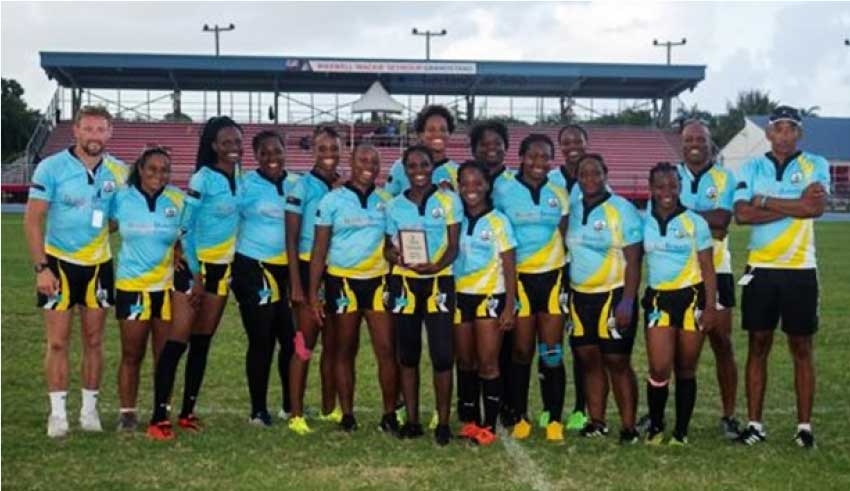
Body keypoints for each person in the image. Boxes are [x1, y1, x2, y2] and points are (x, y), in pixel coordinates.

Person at [24, 105, 127, 438]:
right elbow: (33, 219)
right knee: (57, 342)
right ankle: (57, 414)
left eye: (101, 130)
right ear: (76, 131)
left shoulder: (119, 172)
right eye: (89, 129)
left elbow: (117, 218)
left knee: (94, 341)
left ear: (110, 133)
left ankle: (89, 410)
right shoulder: (51, 167)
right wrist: (41, 268)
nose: (95, 136)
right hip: (58, 264)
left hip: (98, 266)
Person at [732, 106, 829, 449]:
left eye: (791, 129)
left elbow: (814, 209)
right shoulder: (752, 166)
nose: (784, 135)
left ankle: (804, 427)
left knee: (801, 346)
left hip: (800, 269)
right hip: (760, 269)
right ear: (769, 134)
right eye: (778, 129)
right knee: (758, 344)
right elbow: (742, 214)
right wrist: (793, 203)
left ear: (798, 134)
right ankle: (755, 424)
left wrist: (765, 200)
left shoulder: (815, 164)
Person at [147, 116, 243, 439]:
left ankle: (187, 412)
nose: (234, 148)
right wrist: (197, 274)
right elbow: (185, 229)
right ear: (214, 145)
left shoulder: (239, 174)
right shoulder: (203, 178)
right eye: (226, 142)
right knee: (178, 342)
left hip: (222, 269)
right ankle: (158, 416)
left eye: (237, 142)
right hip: (194, 269)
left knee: (202, 343)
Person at [308, 143, 399, 434]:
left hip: (377, 282)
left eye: (374, 160)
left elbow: (391, 245)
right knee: (345, 350)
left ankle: (389, 414)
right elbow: (319, 250)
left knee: (386, 350)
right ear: (351, 161)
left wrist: (397, 257)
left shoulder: (387, 201)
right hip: (342, 282)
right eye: (363, 159)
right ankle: (347, 414)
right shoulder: (332, 200)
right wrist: (313, 294)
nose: (368, 165)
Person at [493, 133, 570, 442]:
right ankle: (521, 415)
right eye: (534, 156)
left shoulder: (559, 192)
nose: (539, 163)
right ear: (522, 158)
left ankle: (553, 418)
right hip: (520, 279)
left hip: (552, 277)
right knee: (522, 350)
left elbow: (562, 233)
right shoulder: (504, 191)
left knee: (551, 351)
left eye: (545, 157)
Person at [384, 144, 462, 445]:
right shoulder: (394, 206)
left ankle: (442, 422)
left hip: (439, 281)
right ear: (405, 170)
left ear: (433, 167)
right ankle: (413, 420)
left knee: (442, 355)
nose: (419, 171)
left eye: (424, 165)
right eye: (413, 166)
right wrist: (397, 257)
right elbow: (386, 248)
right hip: (404, 283)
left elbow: (453, 246)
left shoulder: (449, 199)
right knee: (408, 354)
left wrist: (436, 266)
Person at [566, 154, 642, 444]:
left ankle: (628, 426)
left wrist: (627, 301)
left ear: (605, 174)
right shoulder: (572, 208)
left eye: (595, 172)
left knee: (617, 360)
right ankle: (597, 420)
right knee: (588, 359)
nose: (589, 178)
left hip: (613, 294)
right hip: (579, 295)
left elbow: (634, 260)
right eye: (583, 173)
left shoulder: (622, 209)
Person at [642, 162, 718, 446]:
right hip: (659, 299)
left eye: (673, 185)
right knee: (659, 367)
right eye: (660, 186)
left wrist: (710, 306)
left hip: (692, 298)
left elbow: (708, 267)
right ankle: (656, 426)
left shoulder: (695, 222)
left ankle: (681, 432)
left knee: (686, 366)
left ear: (680, 187)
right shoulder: (643, 221)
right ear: (651, 188)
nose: (667, 192)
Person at [110, 147, 183, 432]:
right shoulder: (122, 198)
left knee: (163, 355)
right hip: (132, 286)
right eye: (152, 169)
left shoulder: (177, 199)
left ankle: (161, 410)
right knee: (132, 353)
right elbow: (104, 228)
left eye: (164, 169)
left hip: (165, 289)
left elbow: (185, 235)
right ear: (140, 169)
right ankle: (127, 413)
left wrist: (179, 252)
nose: (158, 175)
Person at [677, 120, 741, 438]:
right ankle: (669, 412)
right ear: (681, 142)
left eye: (700, 138)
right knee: (678, 350)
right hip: (676, 274)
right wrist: (704, 218)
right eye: (689, 138)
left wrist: (680, 215)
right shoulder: (670, 175)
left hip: (719, 270)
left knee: (722, 343)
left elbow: (722, 222)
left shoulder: (724, 177)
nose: (694, 144)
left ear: (709, 142)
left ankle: (729, 416)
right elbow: (709, 220)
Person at [231, 130, 299, 426]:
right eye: (264, 152)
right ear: (256, 156)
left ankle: (289, 403)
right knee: (261, 340)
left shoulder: (298, 183)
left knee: (290, 339)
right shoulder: (245, 185)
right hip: (254, 267)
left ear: (285, 151)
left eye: (277, 150)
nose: (272, 157)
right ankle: (258, 409)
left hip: (290, 271)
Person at [453, 160, 518, 446]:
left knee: (488, 363)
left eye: (477, 182)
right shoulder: (455, 218)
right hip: (458, 296)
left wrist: (509, 305)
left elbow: (509, 264)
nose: (471, 189)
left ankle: (489, 424)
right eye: (464, 183)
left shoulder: (498, 221)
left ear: (487, 185)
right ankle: (469, 418)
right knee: (465, 361)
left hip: (490, 296)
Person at [285, 125, 343, 434]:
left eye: (334, 149)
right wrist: (297, 284)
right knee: (305, 343)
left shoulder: (343, 187)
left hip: (336, 270)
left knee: (333, 344)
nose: (329, 155)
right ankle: (296, 413)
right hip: (308, 269)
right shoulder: (301, 187)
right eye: (323, 149)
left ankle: (329, 408)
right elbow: (291, 239)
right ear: (313, 150)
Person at [547, 124, 591, 431]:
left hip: (584, 272)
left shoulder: (595, 177)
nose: (572, 145)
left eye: (577, 140)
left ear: (587, 143)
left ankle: (580, 408)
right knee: (549, 341)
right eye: (566, 141)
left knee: (580, 342)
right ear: (559, 147)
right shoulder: (550, 179)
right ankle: (552, 408)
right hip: (552, 269)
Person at [386, 105, 459, 195]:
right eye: (431, 130)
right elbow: (387, 202)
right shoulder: (401, 167)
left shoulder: (457, 172)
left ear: (449, 134)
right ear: (420, 134)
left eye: (443, 129)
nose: (438, 134)